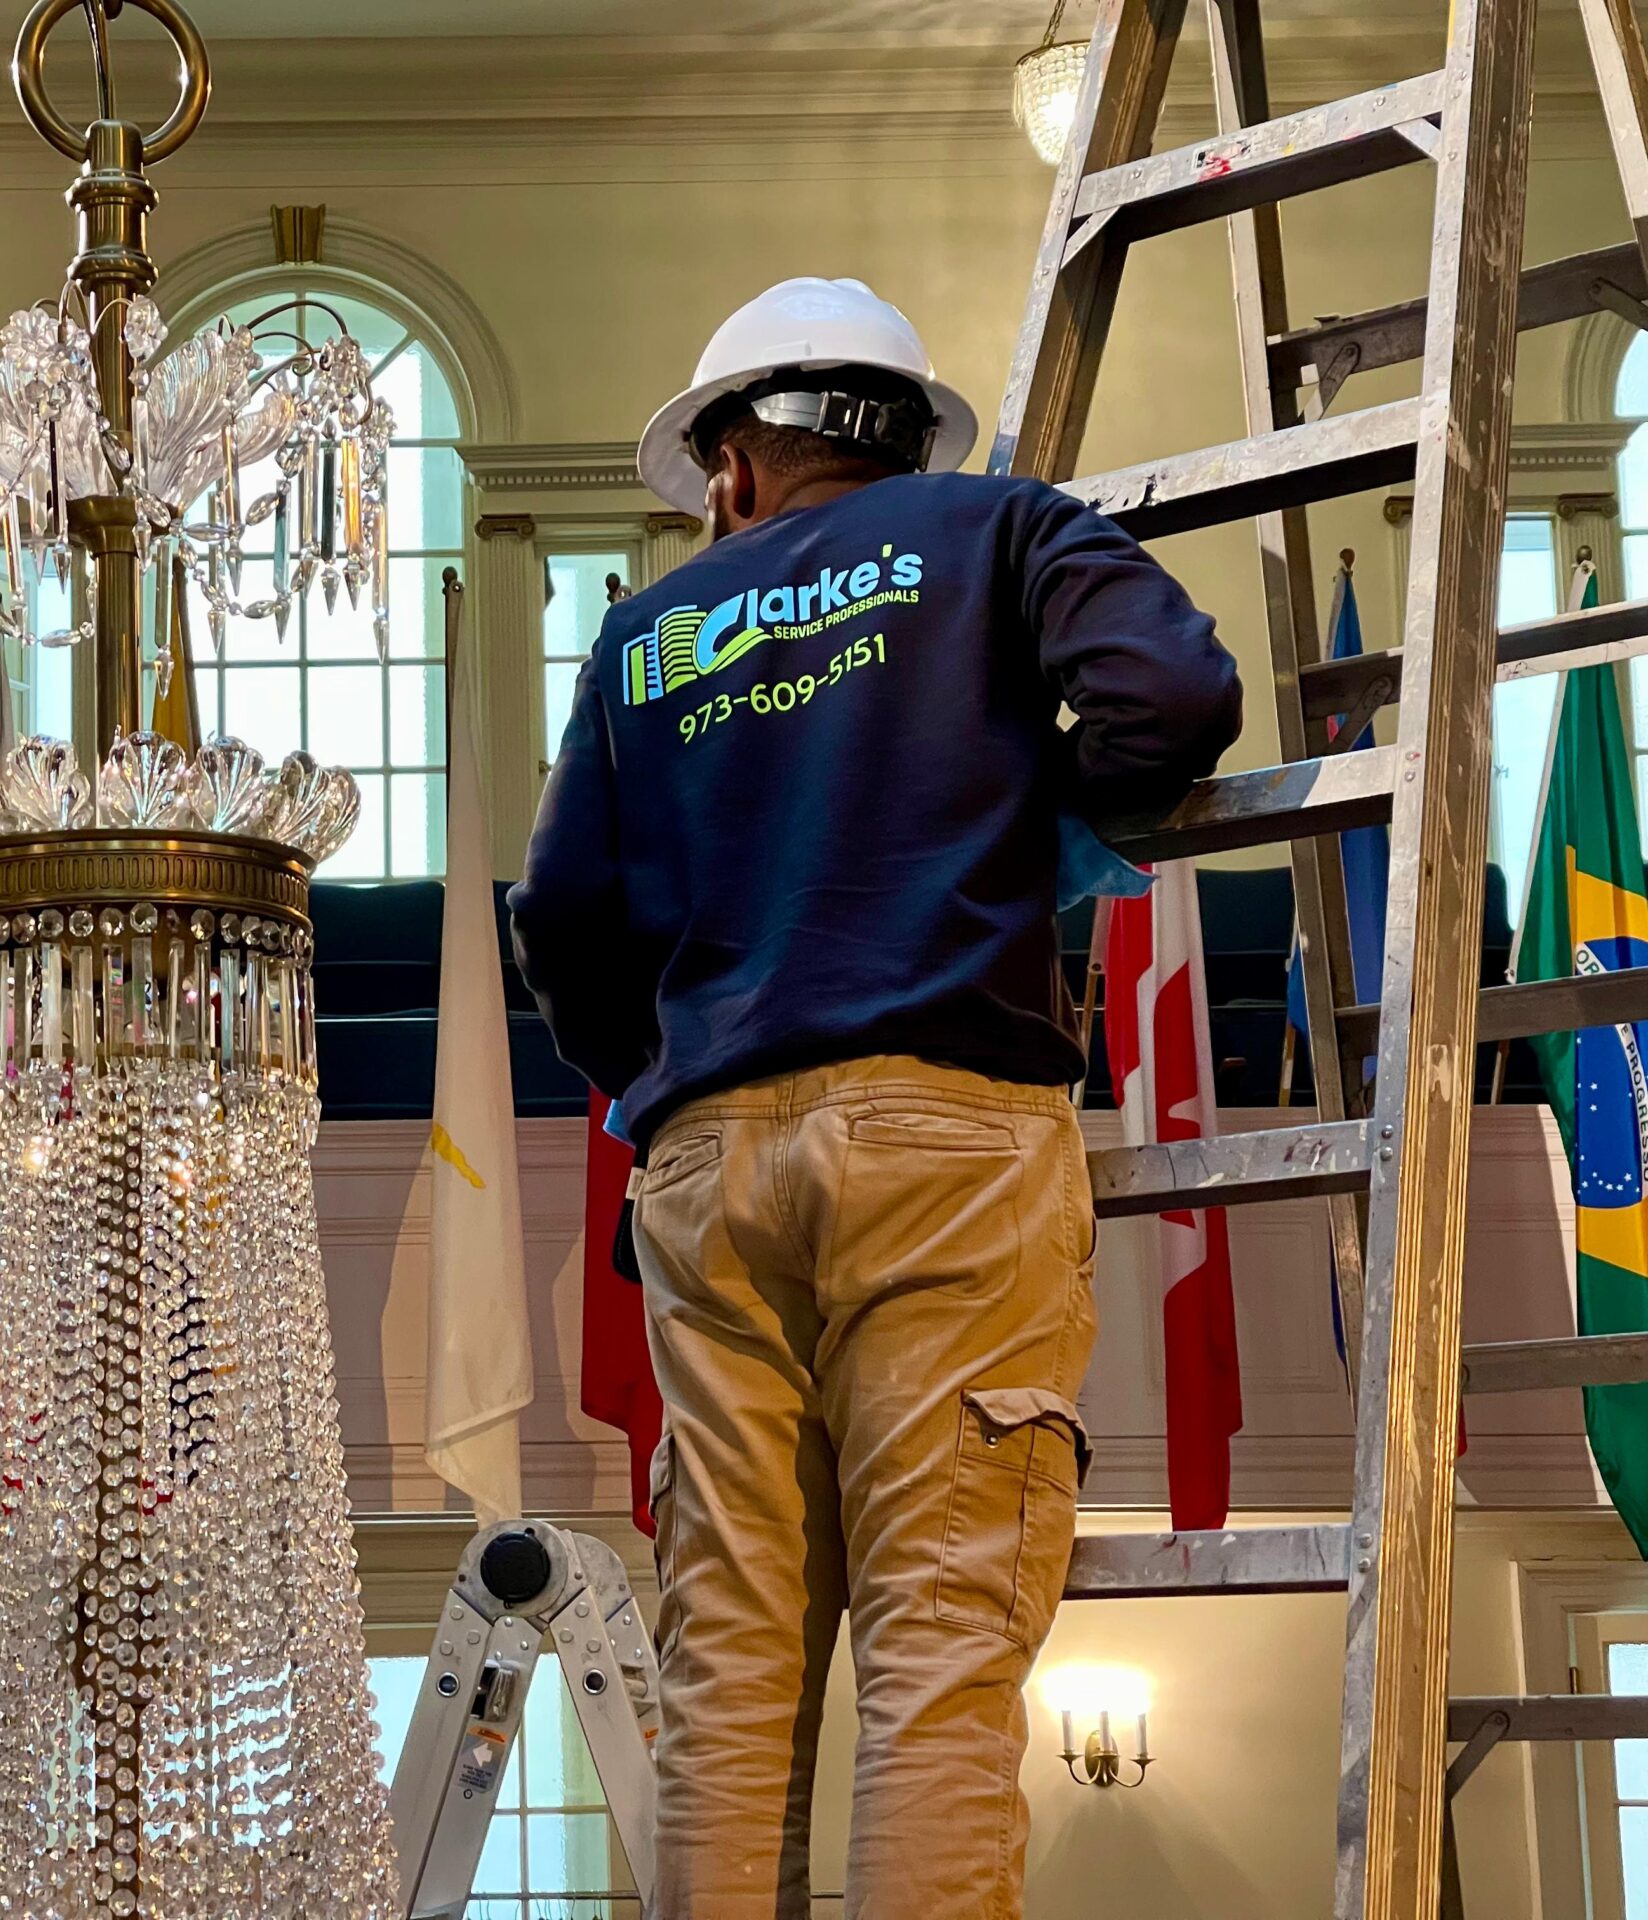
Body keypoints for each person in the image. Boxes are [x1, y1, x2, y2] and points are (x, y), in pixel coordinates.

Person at [508, 277, 1242, 1920]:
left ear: (734, 460)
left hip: (706, 1166)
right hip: (944, 1129)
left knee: (732, 1671)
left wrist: (682, 1073)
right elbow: (1175, 700)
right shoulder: (998, 533)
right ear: (904, 430)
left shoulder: (647, 637)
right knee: (935, 1650)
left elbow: (558, 924)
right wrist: (1034, 806)